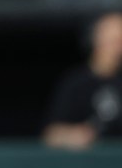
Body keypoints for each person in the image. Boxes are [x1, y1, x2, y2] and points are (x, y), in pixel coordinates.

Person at [43, 12, 122, 150]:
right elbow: (50, 135)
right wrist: (73, 136)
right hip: (89, 167)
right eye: (114, 41)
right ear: (96, 40)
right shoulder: (75, 84)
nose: (118, 48)